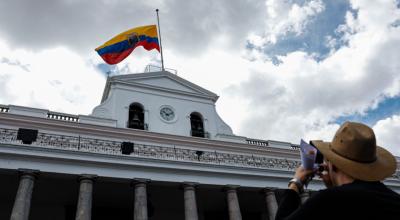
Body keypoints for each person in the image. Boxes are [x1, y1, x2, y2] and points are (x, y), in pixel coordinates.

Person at [275, 121, 400, 220]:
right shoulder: (394, 199)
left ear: (332, 164)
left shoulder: (328, 199)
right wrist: (333, 186)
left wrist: (296, 182)